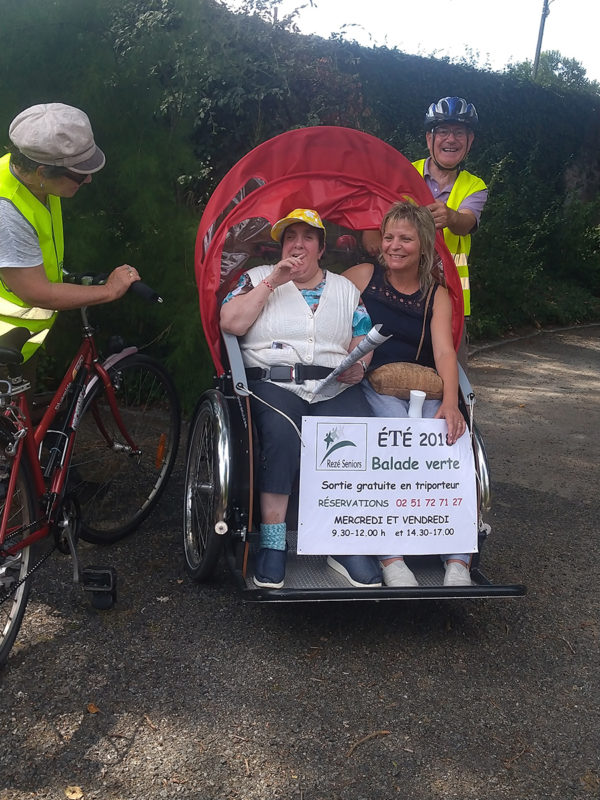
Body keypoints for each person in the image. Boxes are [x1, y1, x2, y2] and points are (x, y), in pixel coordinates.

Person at [220, 208, 381, 590]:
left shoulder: (344, 289)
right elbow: (231, 323)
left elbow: (362, 336)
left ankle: (342, 541)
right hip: (275, 382)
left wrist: (360, 364)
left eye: (308, 237)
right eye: (290, 237)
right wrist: (272, 282)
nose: (298, 244)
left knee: (357, 433)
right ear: (281, 245)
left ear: (321, 248)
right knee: (281, 433)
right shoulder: (256, 278)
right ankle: (273, 544)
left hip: (333, 384)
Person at [345, 200, 471, 588]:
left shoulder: (437, 295)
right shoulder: (363, 276)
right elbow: (323, 301)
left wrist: (452, 404)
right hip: (369, 381)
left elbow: (446, 352)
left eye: (405, 238)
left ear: (424, 246)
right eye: (388, 237)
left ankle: (458, 559)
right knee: (395, 432)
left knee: (448, 437)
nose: (394, 246)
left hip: (421, 382)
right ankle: (391, 556)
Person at [0, 102, 140, 373]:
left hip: (19, 343)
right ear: (42, 172)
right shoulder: (7, 211)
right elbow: (38, 293)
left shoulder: (31, 180)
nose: (88, 180)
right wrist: (109, 291)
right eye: (80, 174)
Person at [362, 97, 488, 367]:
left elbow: (467, 222)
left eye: (459, 132)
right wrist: (371, 235)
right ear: (429, 137)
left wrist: (451, 217)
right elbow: (376, 215)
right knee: (383, 361)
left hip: (451, 292)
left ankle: (453, 408)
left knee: (451, 368)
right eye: (443, 131)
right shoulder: (404, 173)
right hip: (399, 289)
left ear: (470, 140)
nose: (450, 139)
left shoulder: (474, 185)